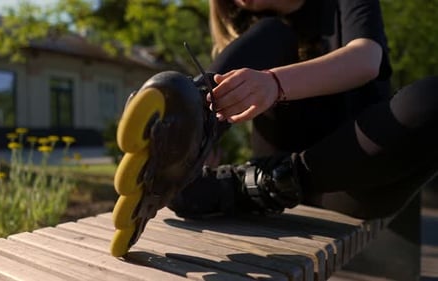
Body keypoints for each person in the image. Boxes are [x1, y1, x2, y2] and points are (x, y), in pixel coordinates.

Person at [167, 0, 438, 279]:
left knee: (432, 99)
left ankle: (253, 185)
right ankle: (180, 133)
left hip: (356, 175)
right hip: (279, 153)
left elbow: (366, 58)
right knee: (270, 33)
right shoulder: (256, 25)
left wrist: (274, 83)